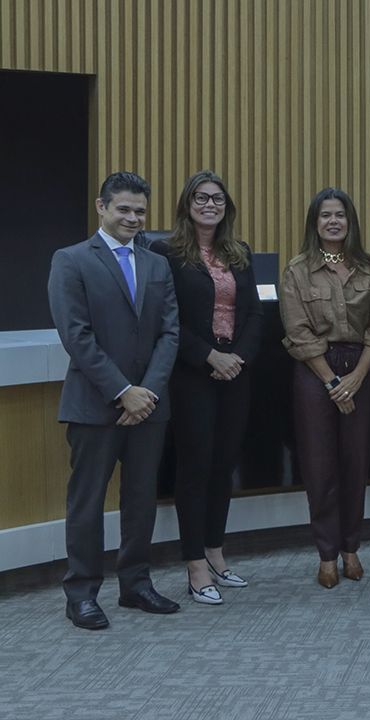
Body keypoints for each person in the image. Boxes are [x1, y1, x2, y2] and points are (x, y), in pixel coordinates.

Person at [48, 171, 180, 629]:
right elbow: (76, 335)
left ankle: (136, 584)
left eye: (140, 211)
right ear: (101, 207)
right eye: (123, 208)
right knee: (86, 503)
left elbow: (170, 332)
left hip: (150, 406)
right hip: (96, 404)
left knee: (141, 501)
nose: (133, 218)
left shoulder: (157, 263)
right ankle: (81, 594)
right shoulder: (70, 260)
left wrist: (148, 392)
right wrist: (125, 391)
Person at [151, 170, 263, 605]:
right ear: (187, 204)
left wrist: (238, 358)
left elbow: (254, 314)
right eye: (201, 197)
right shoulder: (166, 253)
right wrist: (209, 356)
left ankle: (215, 550)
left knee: (223, 465)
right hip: (192, 372)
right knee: (196, 467)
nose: (210, 205)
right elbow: (166, 317)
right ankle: (195, 563)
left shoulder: (239, 252)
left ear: (226, 207)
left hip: (236, 371)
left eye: (217, 198)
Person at [279, 188, 370, 588]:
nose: (333, 222)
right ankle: (326, 554)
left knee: (355, 463)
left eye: (340, 215)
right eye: (325, 215)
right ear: (315, 222)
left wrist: (357, 377)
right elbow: (297, 332)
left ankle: (350, 549)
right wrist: (332, 381)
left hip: (363, 369)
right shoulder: (297, 270)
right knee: (319, 465)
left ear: (350, 222)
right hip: (315, 372)